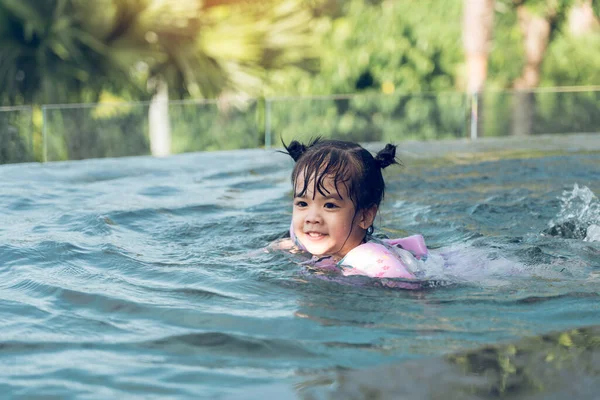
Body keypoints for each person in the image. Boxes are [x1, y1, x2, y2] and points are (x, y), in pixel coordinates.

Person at [274, 137, 430, 283]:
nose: (311, 218)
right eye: (302, 204)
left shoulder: (375, 264)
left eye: (329, 205)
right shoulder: (305, 235)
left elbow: (415, 296)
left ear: (365, 216)